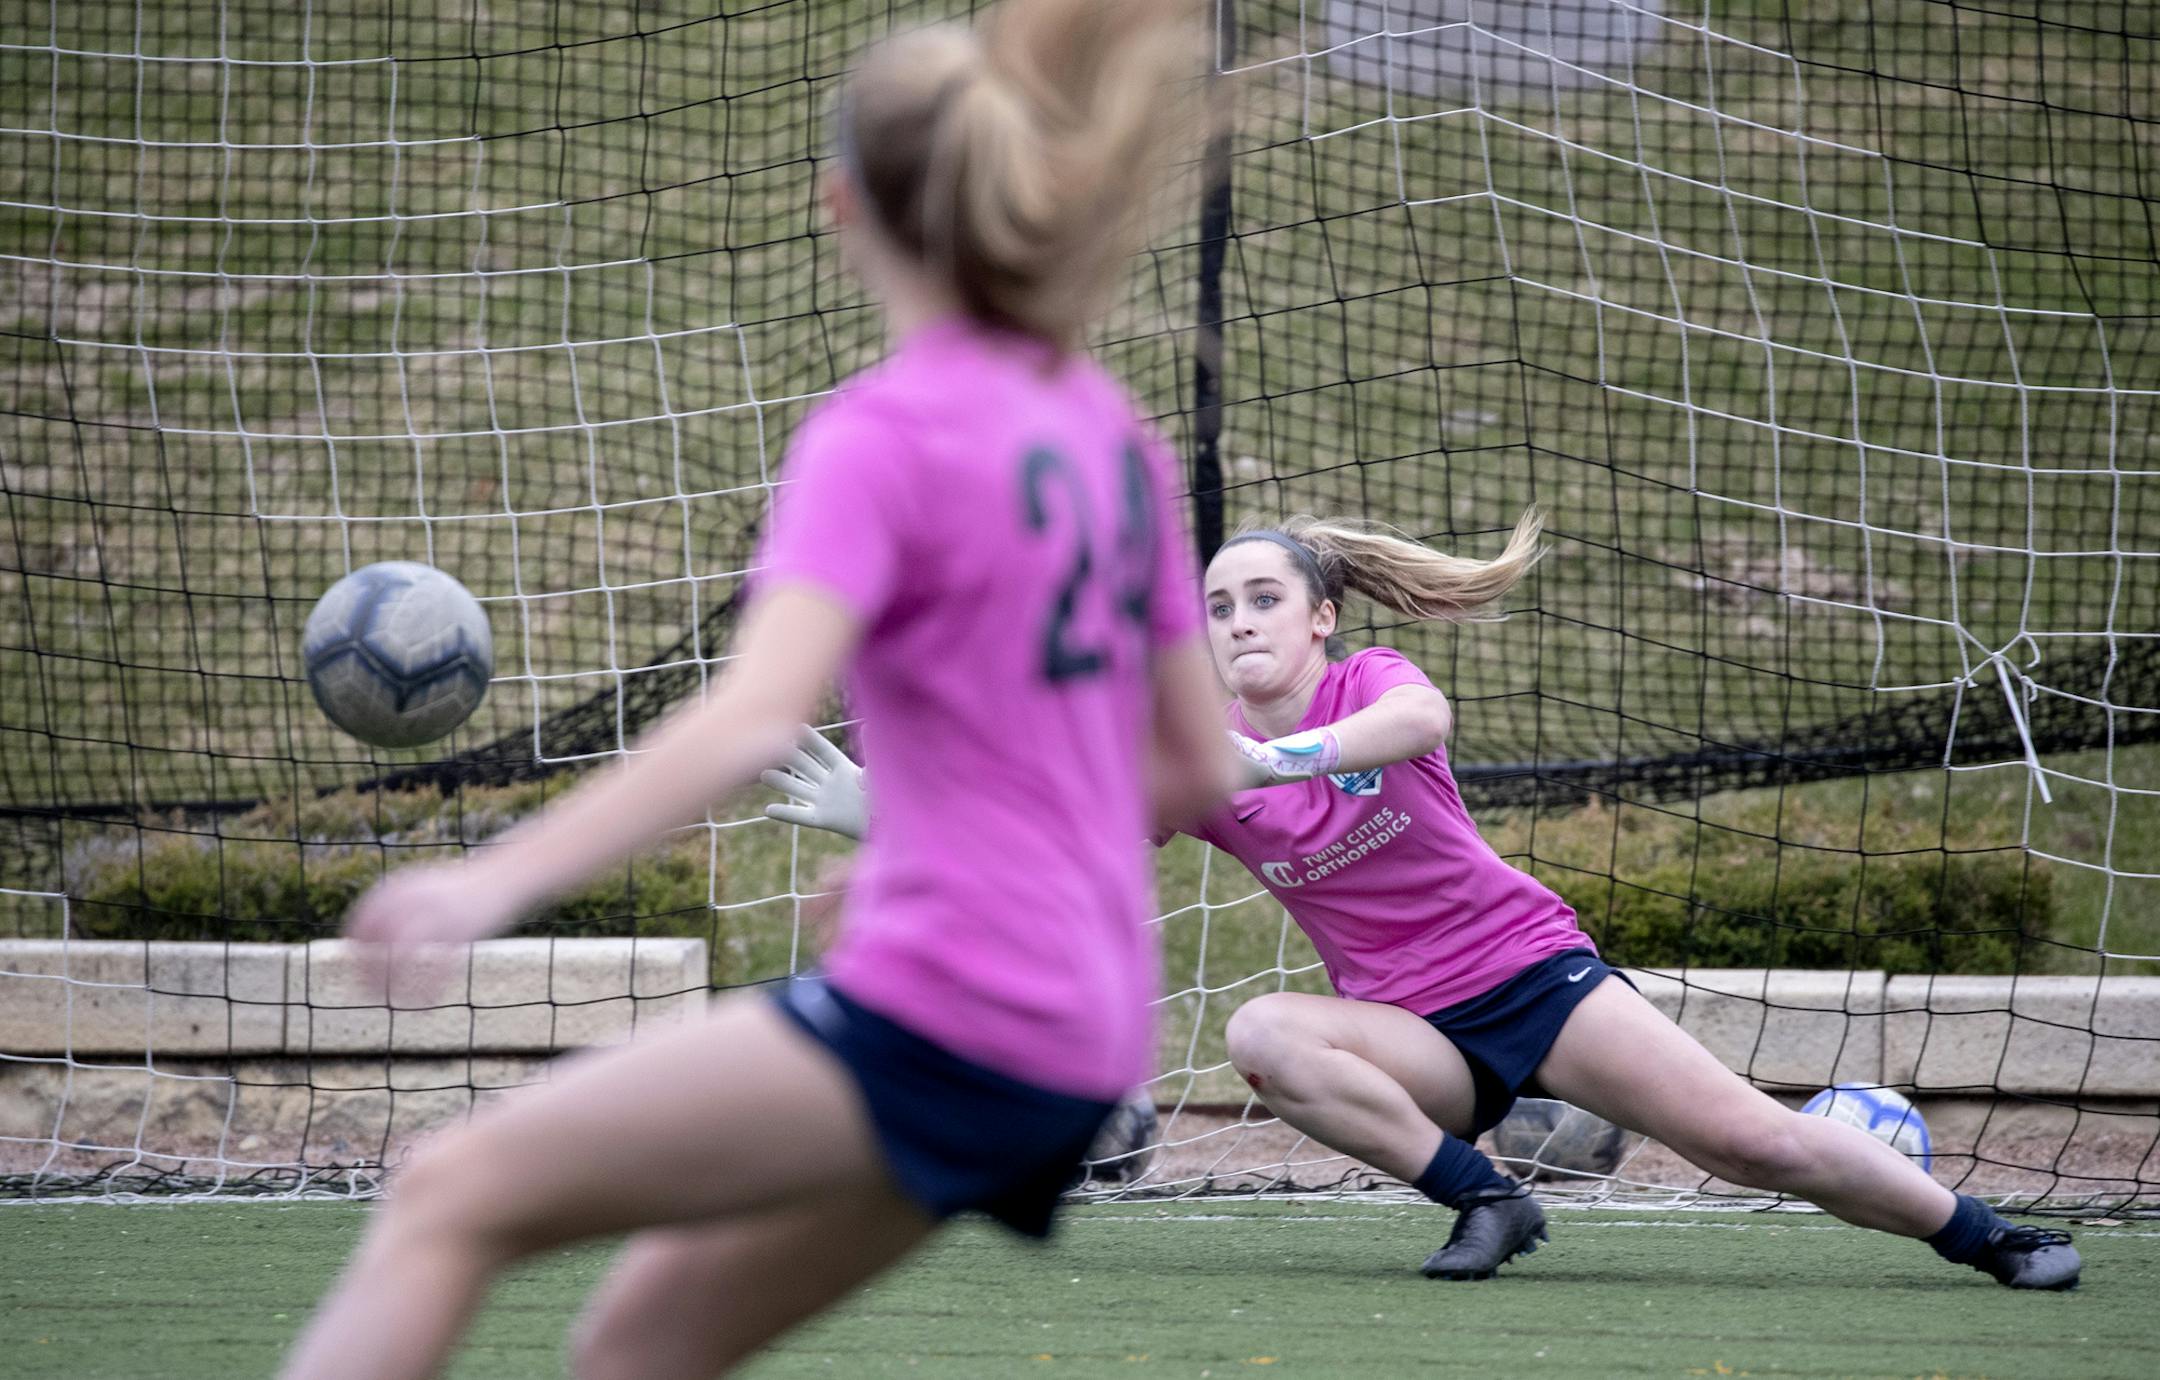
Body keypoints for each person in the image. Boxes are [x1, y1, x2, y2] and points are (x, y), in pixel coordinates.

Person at [280, 4, 1238, 1377]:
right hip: (1085, 1029)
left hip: (958, 1007)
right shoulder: (1108, 435)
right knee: (640, 1349)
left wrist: (486, 881)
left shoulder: (880, 436)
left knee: (445, 1197)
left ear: (838, 203)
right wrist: (930, 846)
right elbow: (1195, 769)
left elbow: (754, 716)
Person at [766, 512, 2083, 1291]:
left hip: (1534, 980)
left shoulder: (1365, 686)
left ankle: (1992, 1239)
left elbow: (1417, 720)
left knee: (1757, 1146)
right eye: (1218, 606)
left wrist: (1271, 757)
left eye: (1263, 598)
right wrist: (880, 819)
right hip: (1412, 1028)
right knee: (1267, 1036)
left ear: (1323, 615)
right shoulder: (1197, 756)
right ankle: (1487, 1199)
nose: (1236, 621)